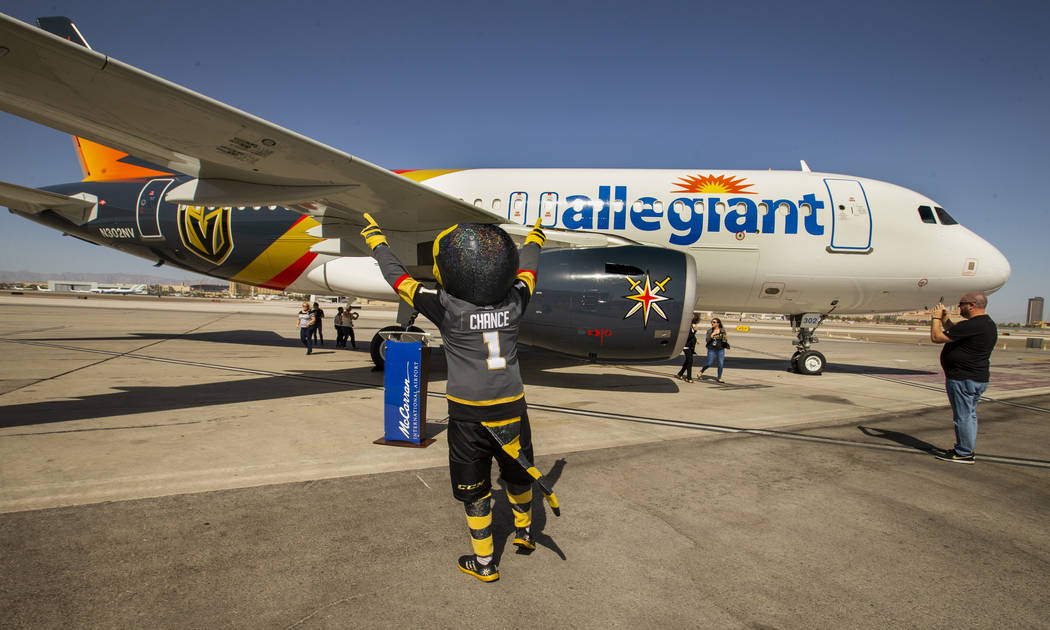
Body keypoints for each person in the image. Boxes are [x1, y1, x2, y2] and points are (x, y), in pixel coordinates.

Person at [361, 213, 547, 583]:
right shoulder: (515, 301)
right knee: (517, 472)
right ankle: (524, 532)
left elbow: (399, 279)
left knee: (474, 488)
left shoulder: (445, 305)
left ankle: (484, 562)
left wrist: (377, 242)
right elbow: (528, 269)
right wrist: (535, 239)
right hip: (511, 407)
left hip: (468, 416)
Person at [928, 292, 997, 464]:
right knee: (969, 415)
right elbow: (956, 332)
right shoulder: (985, 324)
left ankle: (964, 452)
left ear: (972, 305)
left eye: (961, 304)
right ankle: (965, 448)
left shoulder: (974, 325)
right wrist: (945, 319)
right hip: (976, 378)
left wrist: (936, 319)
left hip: (963, 378)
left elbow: (937, 337)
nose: (959, 307)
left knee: (963, 416)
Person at [698, 317, 729, 383]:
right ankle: (701, 371)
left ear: (718, 323)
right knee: (710, 363)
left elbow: (724, 340)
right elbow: (707, 340)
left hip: (720, 349)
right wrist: (712, 335)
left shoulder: (722, 330)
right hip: (711, 349)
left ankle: (719, 378)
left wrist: (725, 339)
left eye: (714, 322)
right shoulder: (709, 331)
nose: (712, 323)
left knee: (721, 364)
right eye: (712, 322)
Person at [676, 314, 701, 383]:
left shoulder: (691, 325)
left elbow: (691, 336)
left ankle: (680, 373)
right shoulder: (686, 326)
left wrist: (696, 340)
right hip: (686, 346)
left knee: (688, 361)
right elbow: (687, 336)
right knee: (690, 361)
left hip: (690, 346)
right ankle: (688, 377)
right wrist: (695, 331)